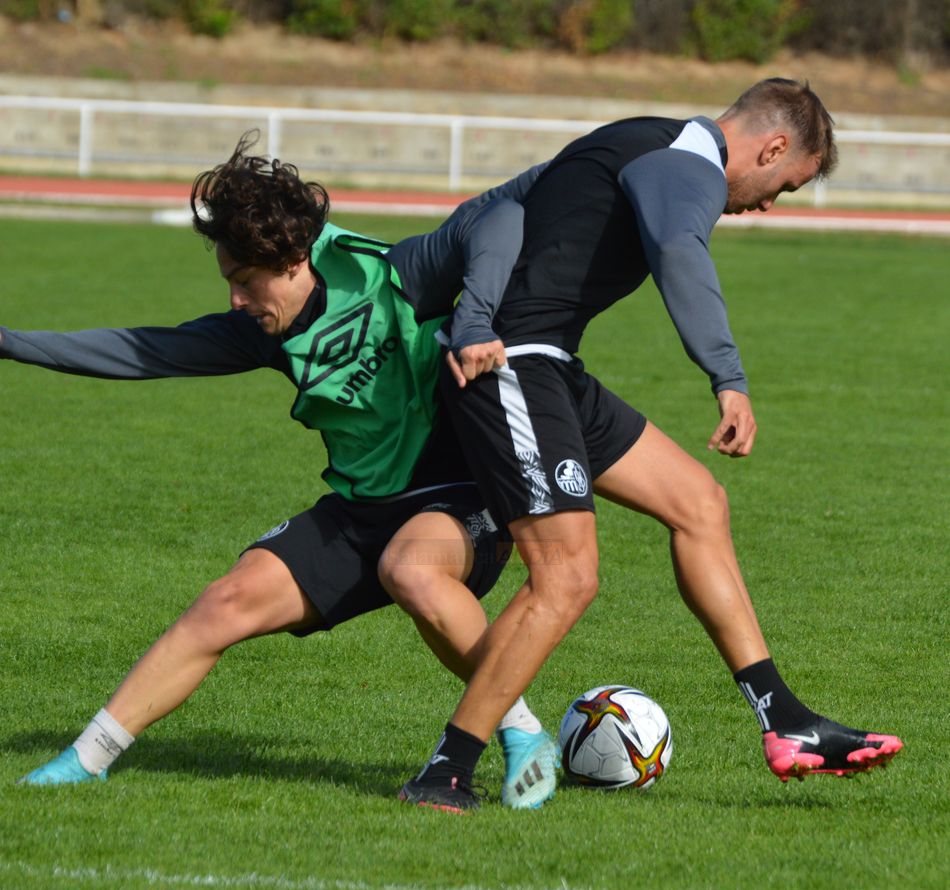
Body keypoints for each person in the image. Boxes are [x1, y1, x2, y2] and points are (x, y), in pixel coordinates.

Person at [4, 134, 560, 809]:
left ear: (294, 260)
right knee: (224, 602)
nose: (236, 299)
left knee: (414, 569)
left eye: (245, 280)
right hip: (362, 510)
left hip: (461, 494)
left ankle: (522, 733)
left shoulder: (395, 272)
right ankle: (82, 762)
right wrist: (11, 343)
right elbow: (143, 351)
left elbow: (499, 215)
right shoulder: (260, 332)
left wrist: (474, 316)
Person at [399, 79, 903, 812]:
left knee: (699, 502)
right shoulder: (689, 164)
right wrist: (728, 377)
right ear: (771, 148)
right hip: (510, 364)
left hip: (549, 365)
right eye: (783, 187)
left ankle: (784, 720)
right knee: (566, 576)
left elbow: (508, 203)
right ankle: (447, 768)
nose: (767, 205)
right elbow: (677, 249)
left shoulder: (641, 138)